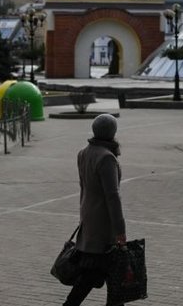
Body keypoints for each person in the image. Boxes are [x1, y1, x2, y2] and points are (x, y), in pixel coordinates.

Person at [63, 114, 126, 306]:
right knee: (95, 272)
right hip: (103, 225)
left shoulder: (84, 152)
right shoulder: (107, 157)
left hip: (89, 218)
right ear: (112, 133)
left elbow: (84, 187)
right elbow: (112, 197)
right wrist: (120, 231)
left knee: (110, 275)